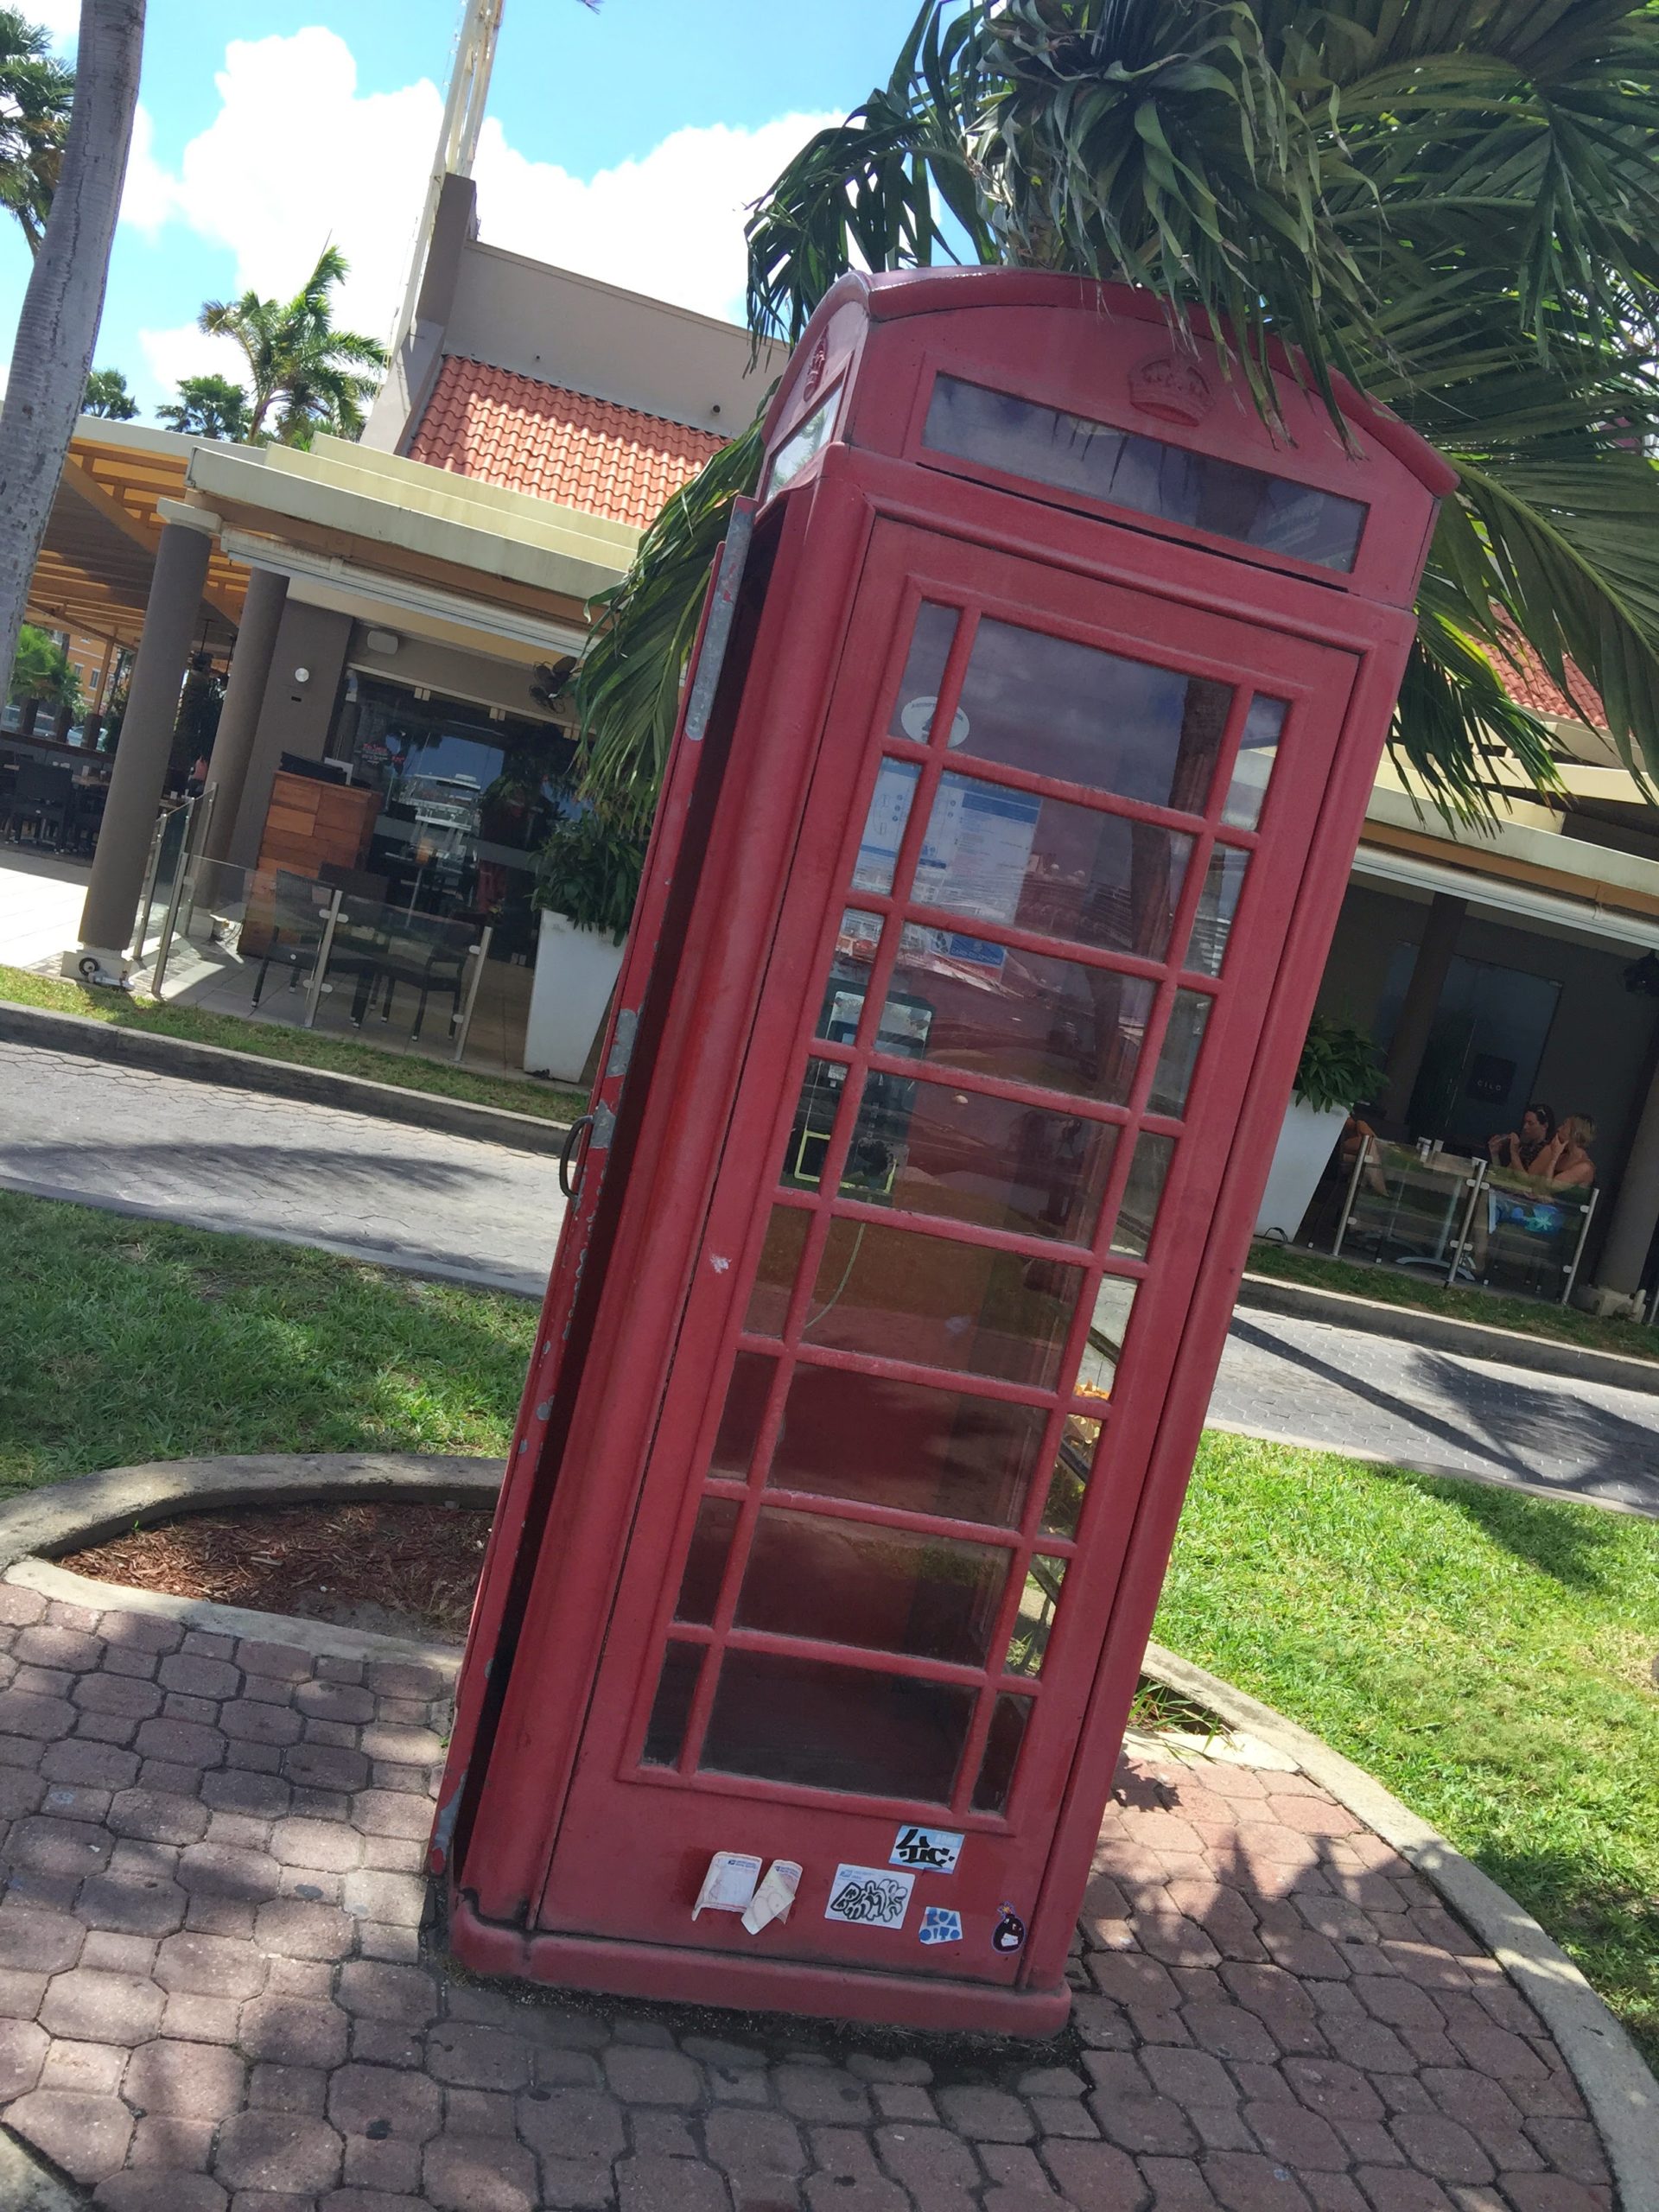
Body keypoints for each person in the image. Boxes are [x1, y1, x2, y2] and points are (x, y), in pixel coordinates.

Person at [1489, 1103, 1555, 1174]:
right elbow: (1504, 1176)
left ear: (1544, 1126)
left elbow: (1527, 1181)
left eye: (1530, 1123)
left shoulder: (1548, 1150)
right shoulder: (1525, 1148)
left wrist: (1514, 1151)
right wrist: (1494, 1154)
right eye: (1525, 1122)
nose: (1525, 1127)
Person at [1536, 1113, 1596, 1189]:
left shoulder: (1585, 1167)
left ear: (1575, 1133)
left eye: (1564, 1126)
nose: (1559, 1129)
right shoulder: (1563, 1157)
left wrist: (1554, 1158)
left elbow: (1549, 1188)